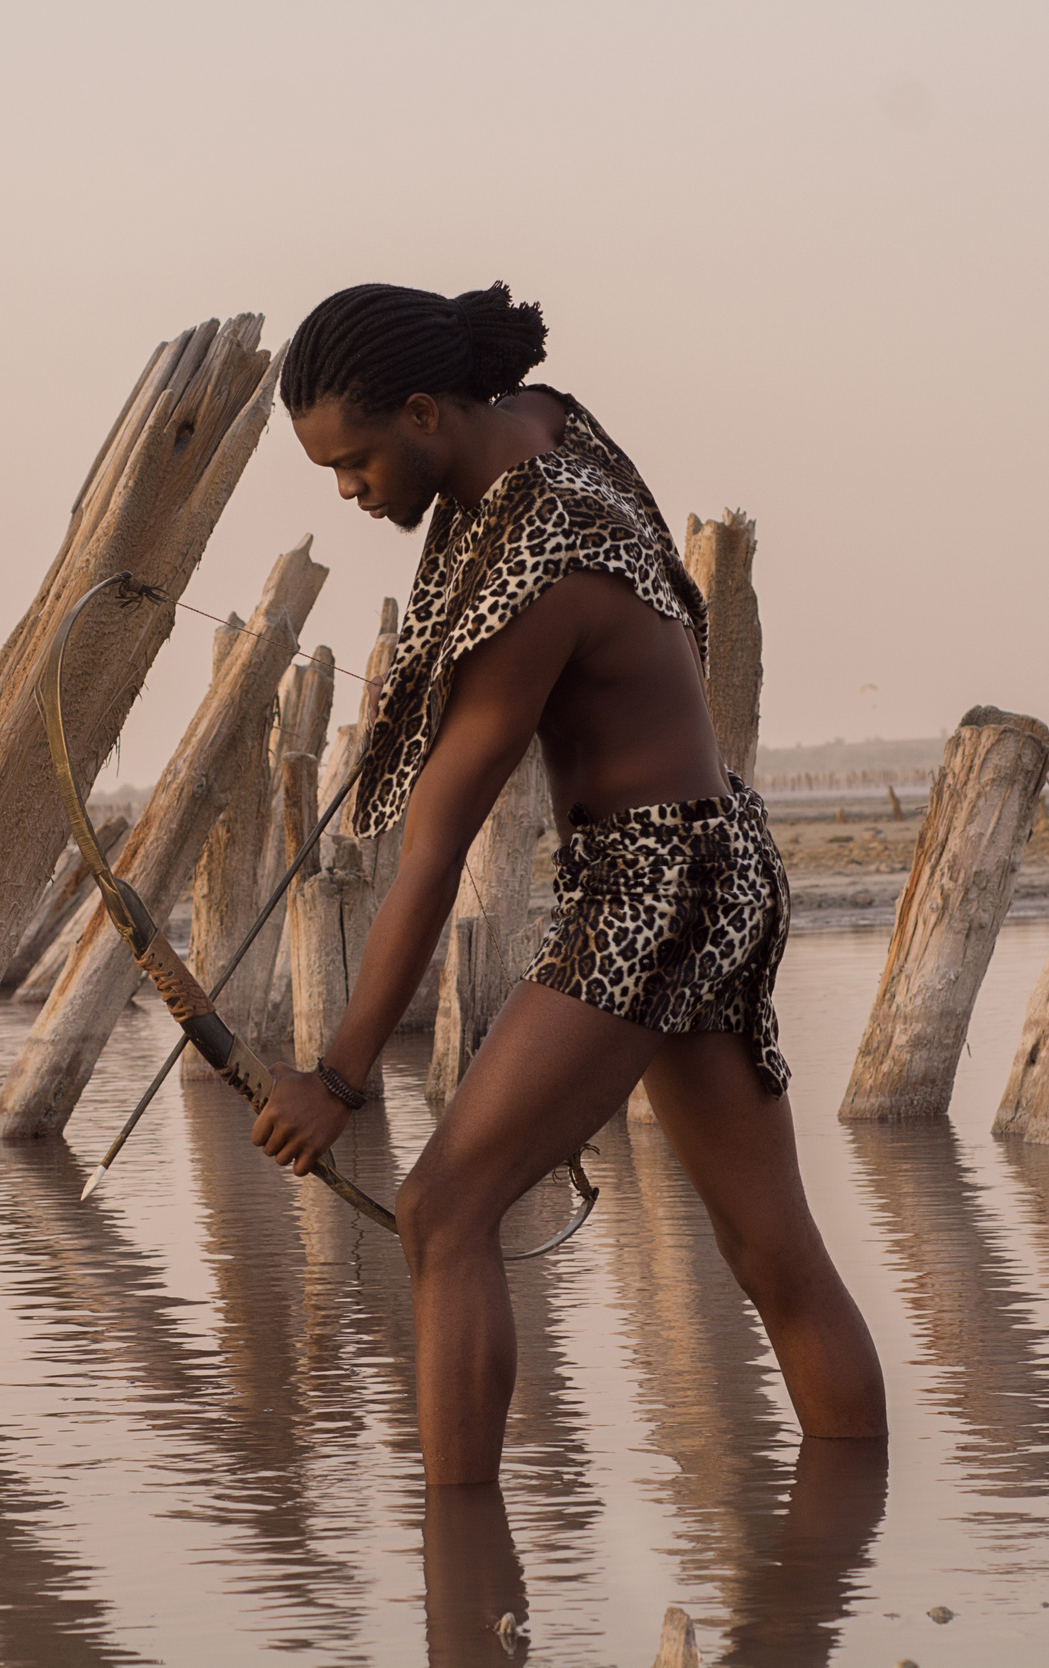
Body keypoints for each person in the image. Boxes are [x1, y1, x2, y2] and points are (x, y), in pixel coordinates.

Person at [252, 282, 885, 1485]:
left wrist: (338, 1079)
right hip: (717, 856)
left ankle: (458, 1556)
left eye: (354, 462)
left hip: (652, 883)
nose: (347, 491)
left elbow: (435, 848)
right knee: (771, 1250)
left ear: (427, 412)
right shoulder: (545, 425)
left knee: (443, 1209)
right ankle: (846, 1545)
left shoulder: (539, 567)